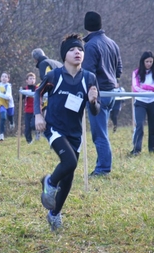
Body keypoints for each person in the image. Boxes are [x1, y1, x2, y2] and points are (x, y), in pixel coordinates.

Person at [34, 33, 100, 231]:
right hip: (54, 128)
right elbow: (38, 92)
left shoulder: (89, 78)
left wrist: (93, 101)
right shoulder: (54, 75)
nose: (77, 52)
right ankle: (49, 182)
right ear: (64, 55)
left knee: (69, 175)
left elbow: (95, 111)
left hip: (74, 133)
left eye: (80, 49)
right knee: (69, 162)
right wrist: (38, 115)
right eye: (72, 49)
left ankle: (54, 214)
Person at [82, 11, 122, 177]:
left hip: (99, 94)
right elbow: (119, 71)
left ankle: (103, 169)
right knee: (102, 132)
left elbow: (88, 73)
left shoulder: (90, 46)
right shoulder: (113, 43)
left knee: (99, 134)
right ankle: (103, 165)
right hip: (112, 92)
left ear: (86, 26)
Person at [130, 51, 154, 155]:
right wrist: (149, 90)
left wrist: (145, 87)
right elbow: (135, 88)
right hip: (140, 102)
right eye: (147, 61)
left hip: (153, 101)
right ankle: (136, 149)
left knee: (153, 126)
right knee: (139, 125)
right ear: (142, 62)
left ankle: (153, 148)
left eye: (151, 61)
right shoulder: (136, 73)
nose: (149, 63)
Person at [0, 71, 14, 141]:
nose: (4, 78)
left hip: (9, 104)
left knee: (10, 116)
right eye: (3, 76)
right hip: (2, 104)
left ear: (8, 79)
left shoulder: (8, 86)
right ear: (0, 78)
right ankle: (1, 134)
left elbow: (8, 97)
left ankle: (11, 122)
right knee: (3, 117)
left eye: (6, 77)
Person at [20, 72, 37, 144]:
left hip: (36, 110)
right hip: (27, 110)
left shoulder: (37, 88)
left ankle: (38, 132)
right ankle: (29, 141)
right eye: (30, 78)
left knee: (33, 125)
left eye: (33, 78)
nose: (32, 80)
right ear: (27, 80)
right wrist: (21, 93)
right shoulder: (25, 89)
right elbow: (20, 99)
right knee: (27, 128)